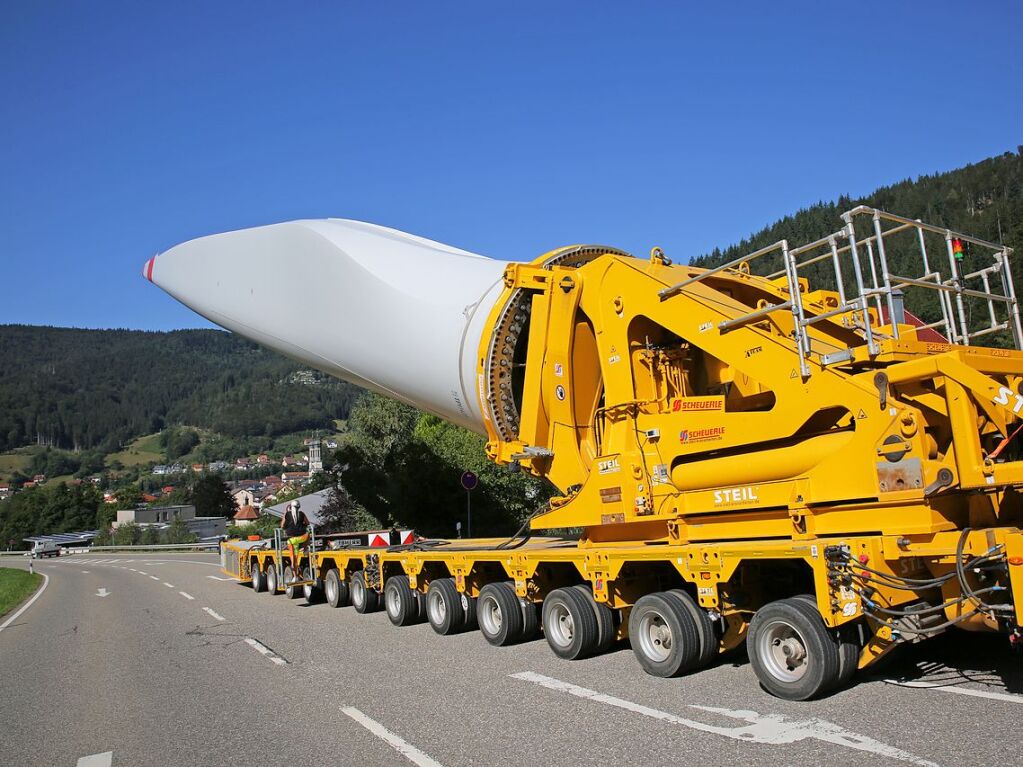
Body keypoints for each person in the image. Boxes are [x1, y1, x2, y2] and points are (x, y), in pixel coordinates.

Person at [280, 500, 310, 584]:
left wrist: (284, 515)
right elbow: (307, 523)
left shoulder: (287, 514)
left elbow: (282, 526)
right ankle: (305, 548)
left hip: (291, 540)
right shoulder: (302, 514)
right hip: (302, 538)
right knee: (308, 535)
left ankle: (295, 577)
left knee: (294, 560)